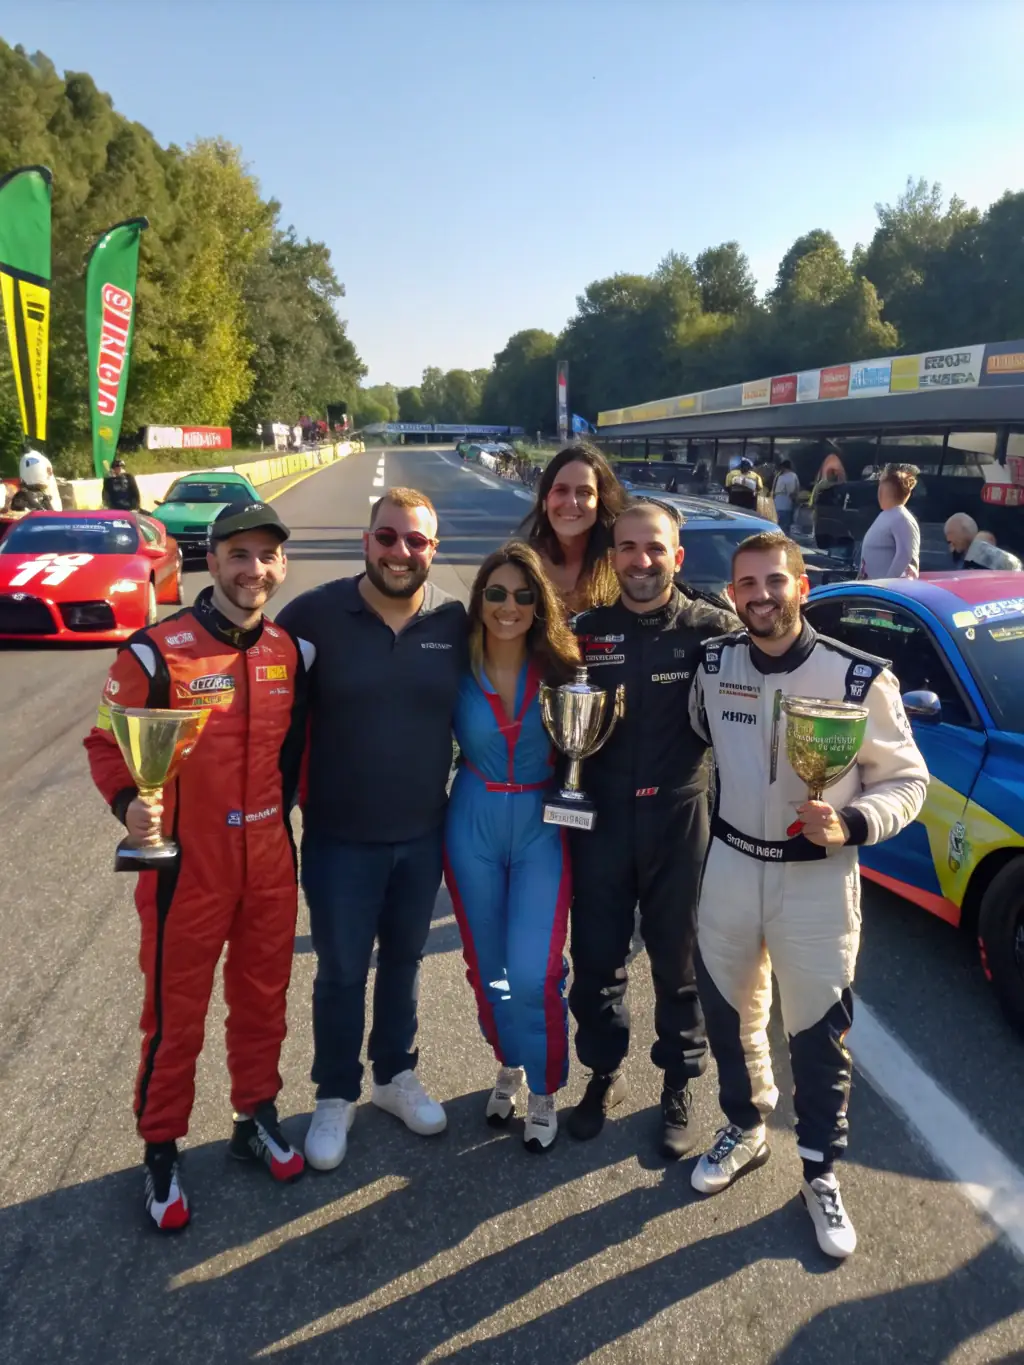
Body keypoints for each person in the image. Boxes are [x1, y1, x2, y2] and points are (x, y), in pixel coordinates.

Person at [688, 531, 928, 1258]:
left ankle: (820, 1169)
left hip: (818, 879)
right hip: (729, 863)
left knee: (819, 1033)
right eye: (746, 585)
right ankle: (747, 1123)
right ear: (732, 596)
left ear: (801, 584)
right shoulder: (714, 661)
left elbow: (908, 781)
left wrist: (853, 820)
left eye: (774, 581)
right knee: (729, 1015)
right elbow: (702, 739)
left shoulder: (858, 677)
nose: (760, 596)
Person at [83, 500, 309, 1231]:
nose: (255, 569)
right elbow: (104, 746)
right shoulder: (153, 651)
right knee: (174, 1017)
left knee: (264, 1000)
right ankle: (160, 1145)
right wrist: (130, 807)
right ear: (211, 562)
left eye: (268, 555)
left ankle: (256, 1114)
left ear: (281, 564)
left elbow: (296, 755)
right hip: (187, 869)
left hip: (271, 862)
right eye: (239, 554)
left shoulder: (289, 652)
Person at [276, 488, 468, 1171]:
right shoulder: (312, 615)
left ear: (432, 550)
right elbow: (276, 723)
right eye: (388, 537)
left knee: (406, 963)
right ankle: (334, 1092)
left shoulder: (456, 622)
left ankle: (393, 1075)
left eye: (415, 541)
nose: (400, 552)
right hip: (338, 838)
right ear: (367, 541)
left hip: (422, 836)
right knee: (341, 971)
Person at [567, 500, 739, 1156]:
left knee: (680, 960)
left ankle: (678, 1080)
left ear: (677, 556)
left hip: (680, 814)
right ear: (613, 557)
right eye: (629, 548)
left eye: (655, 548)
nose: (642, 561)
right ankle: (602, 1071)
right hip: (601, 818)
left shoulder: (713, 629)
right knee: (598, 959)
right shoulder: (584, 631)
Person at [444, 542, 580, 1152]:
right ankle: (511, 1063)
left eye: (524, 595)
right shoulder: (453, 664)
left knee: (535, 971)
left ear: (539, 604)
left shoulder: (562, 668)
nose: (509, 606)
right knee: (487, 970)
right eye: (496, 593)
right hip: (469, 817)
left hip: (539, 823)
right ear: (479, 600)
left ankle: (545, 1087)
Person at [520, 443, 625, 616]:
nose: (571, 502)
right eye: (561, 491)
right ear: (545, 501)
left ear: (601, 502)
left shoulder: (622, 567)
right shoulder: (520, 565)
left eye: (584, 493)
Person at [858, 465, 920, 579]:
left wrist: (886, 585)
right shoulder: (887, 516)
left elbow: (905, 556)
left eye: (880, 484)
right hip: (872, 591)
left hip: (885, 593)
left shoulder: (902, 518)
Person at [771, 459, 800, 536]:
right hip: (783, 505)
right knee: (783, 527)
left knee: (781, 526)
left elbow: (792, 493)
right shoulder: (786, 476)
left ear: (784, 467)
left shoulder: (788, 476)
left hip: (783, 504)